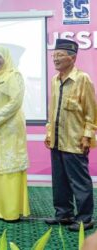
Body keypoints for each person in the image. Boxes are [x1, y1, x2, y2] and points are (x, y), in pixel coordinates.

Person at [44, 39, 97, 231]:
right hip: (57, 140)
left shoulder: (83, 79)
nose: (55, 59)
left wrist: (87, 136)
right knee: (59, 180)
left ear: (72, 58)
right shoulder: (54, 80)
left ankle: (85, 218)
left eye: (59, 55)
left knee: (79, 181)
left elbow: (91, 112)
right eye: (53, 56)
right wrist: (49, 132)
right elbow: (52, 110)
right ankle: (63, 214)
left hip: (75, 140)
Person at [0, 46, 30, 222]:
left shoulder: (14, 76)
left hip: (9, 128)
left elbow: (16, 102)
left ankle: (10, 211)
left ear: (6, 58)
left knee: (9, 166)